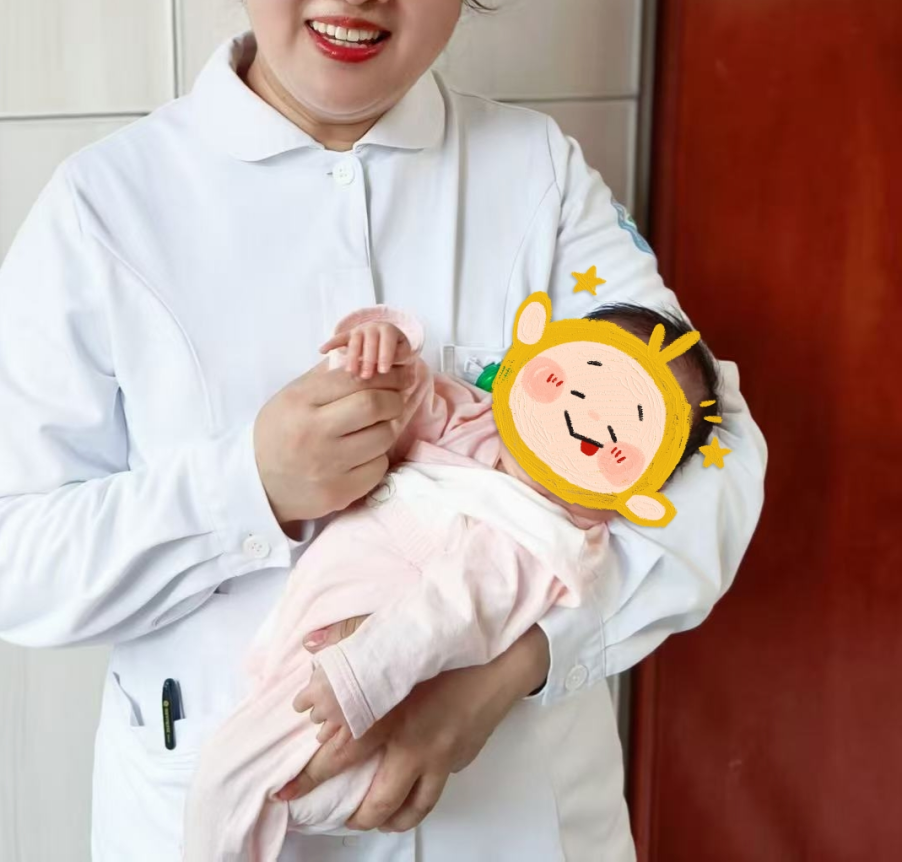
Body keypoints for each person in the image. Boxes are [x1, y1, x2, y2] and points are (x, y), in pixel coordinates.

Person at [0, 0, 767, 862]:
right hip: (211, 796)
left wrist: (506, 670)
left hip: (514, 814)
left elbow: (712, 453)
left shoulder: (534, 172)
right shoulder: (107, 205)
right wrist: (247, 487)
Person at [182, 299, 722, 860]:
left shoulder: (541, 539)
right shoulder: (476, 423)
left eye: (627, 428)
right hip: (311, 664)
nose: (586, 421)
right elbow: (404, 401)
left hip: (364, 695)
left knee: (225, 783)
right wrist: (381, 351)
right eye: (585, 385)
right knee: (234, 786)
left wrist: (364, 673)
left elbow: (453, 612)